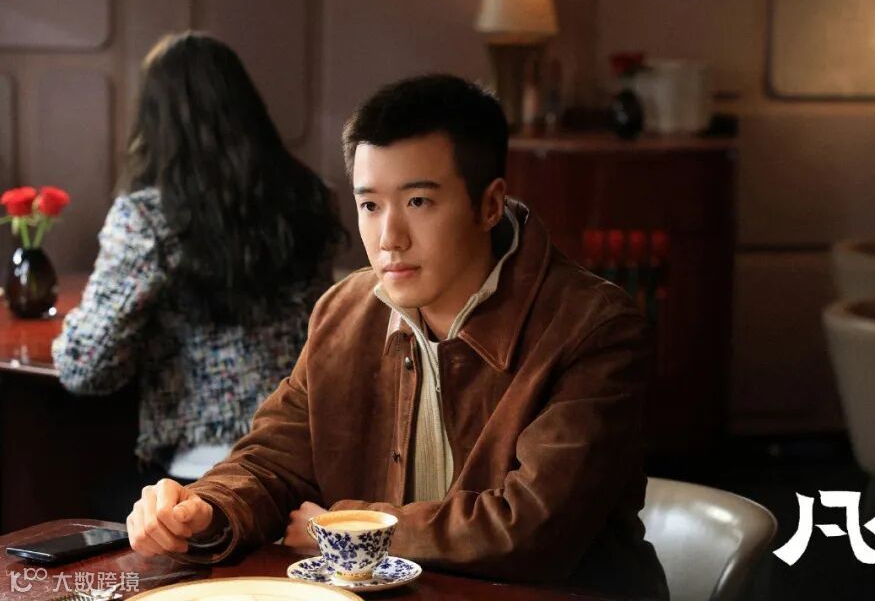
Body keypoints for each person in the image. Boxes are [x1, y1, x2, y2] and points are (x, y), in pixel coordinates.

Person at [125, 74, 668, 599]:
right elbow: (272, 461)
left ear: (489, 205)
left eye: (418, 202)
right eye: (369, 205)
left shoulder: (594, 327)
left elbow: (531, 528)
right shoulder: (344, 311)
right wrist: (204, 509)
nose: (389, 238)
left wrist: (345, 527)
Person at [52, 32, 344, 516]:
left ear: (155, 118)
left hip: (202, 474)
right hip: (304, 460)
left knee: (74, 505)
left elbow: (85, 368)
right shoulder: (311, 197)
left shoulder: (147, 217)